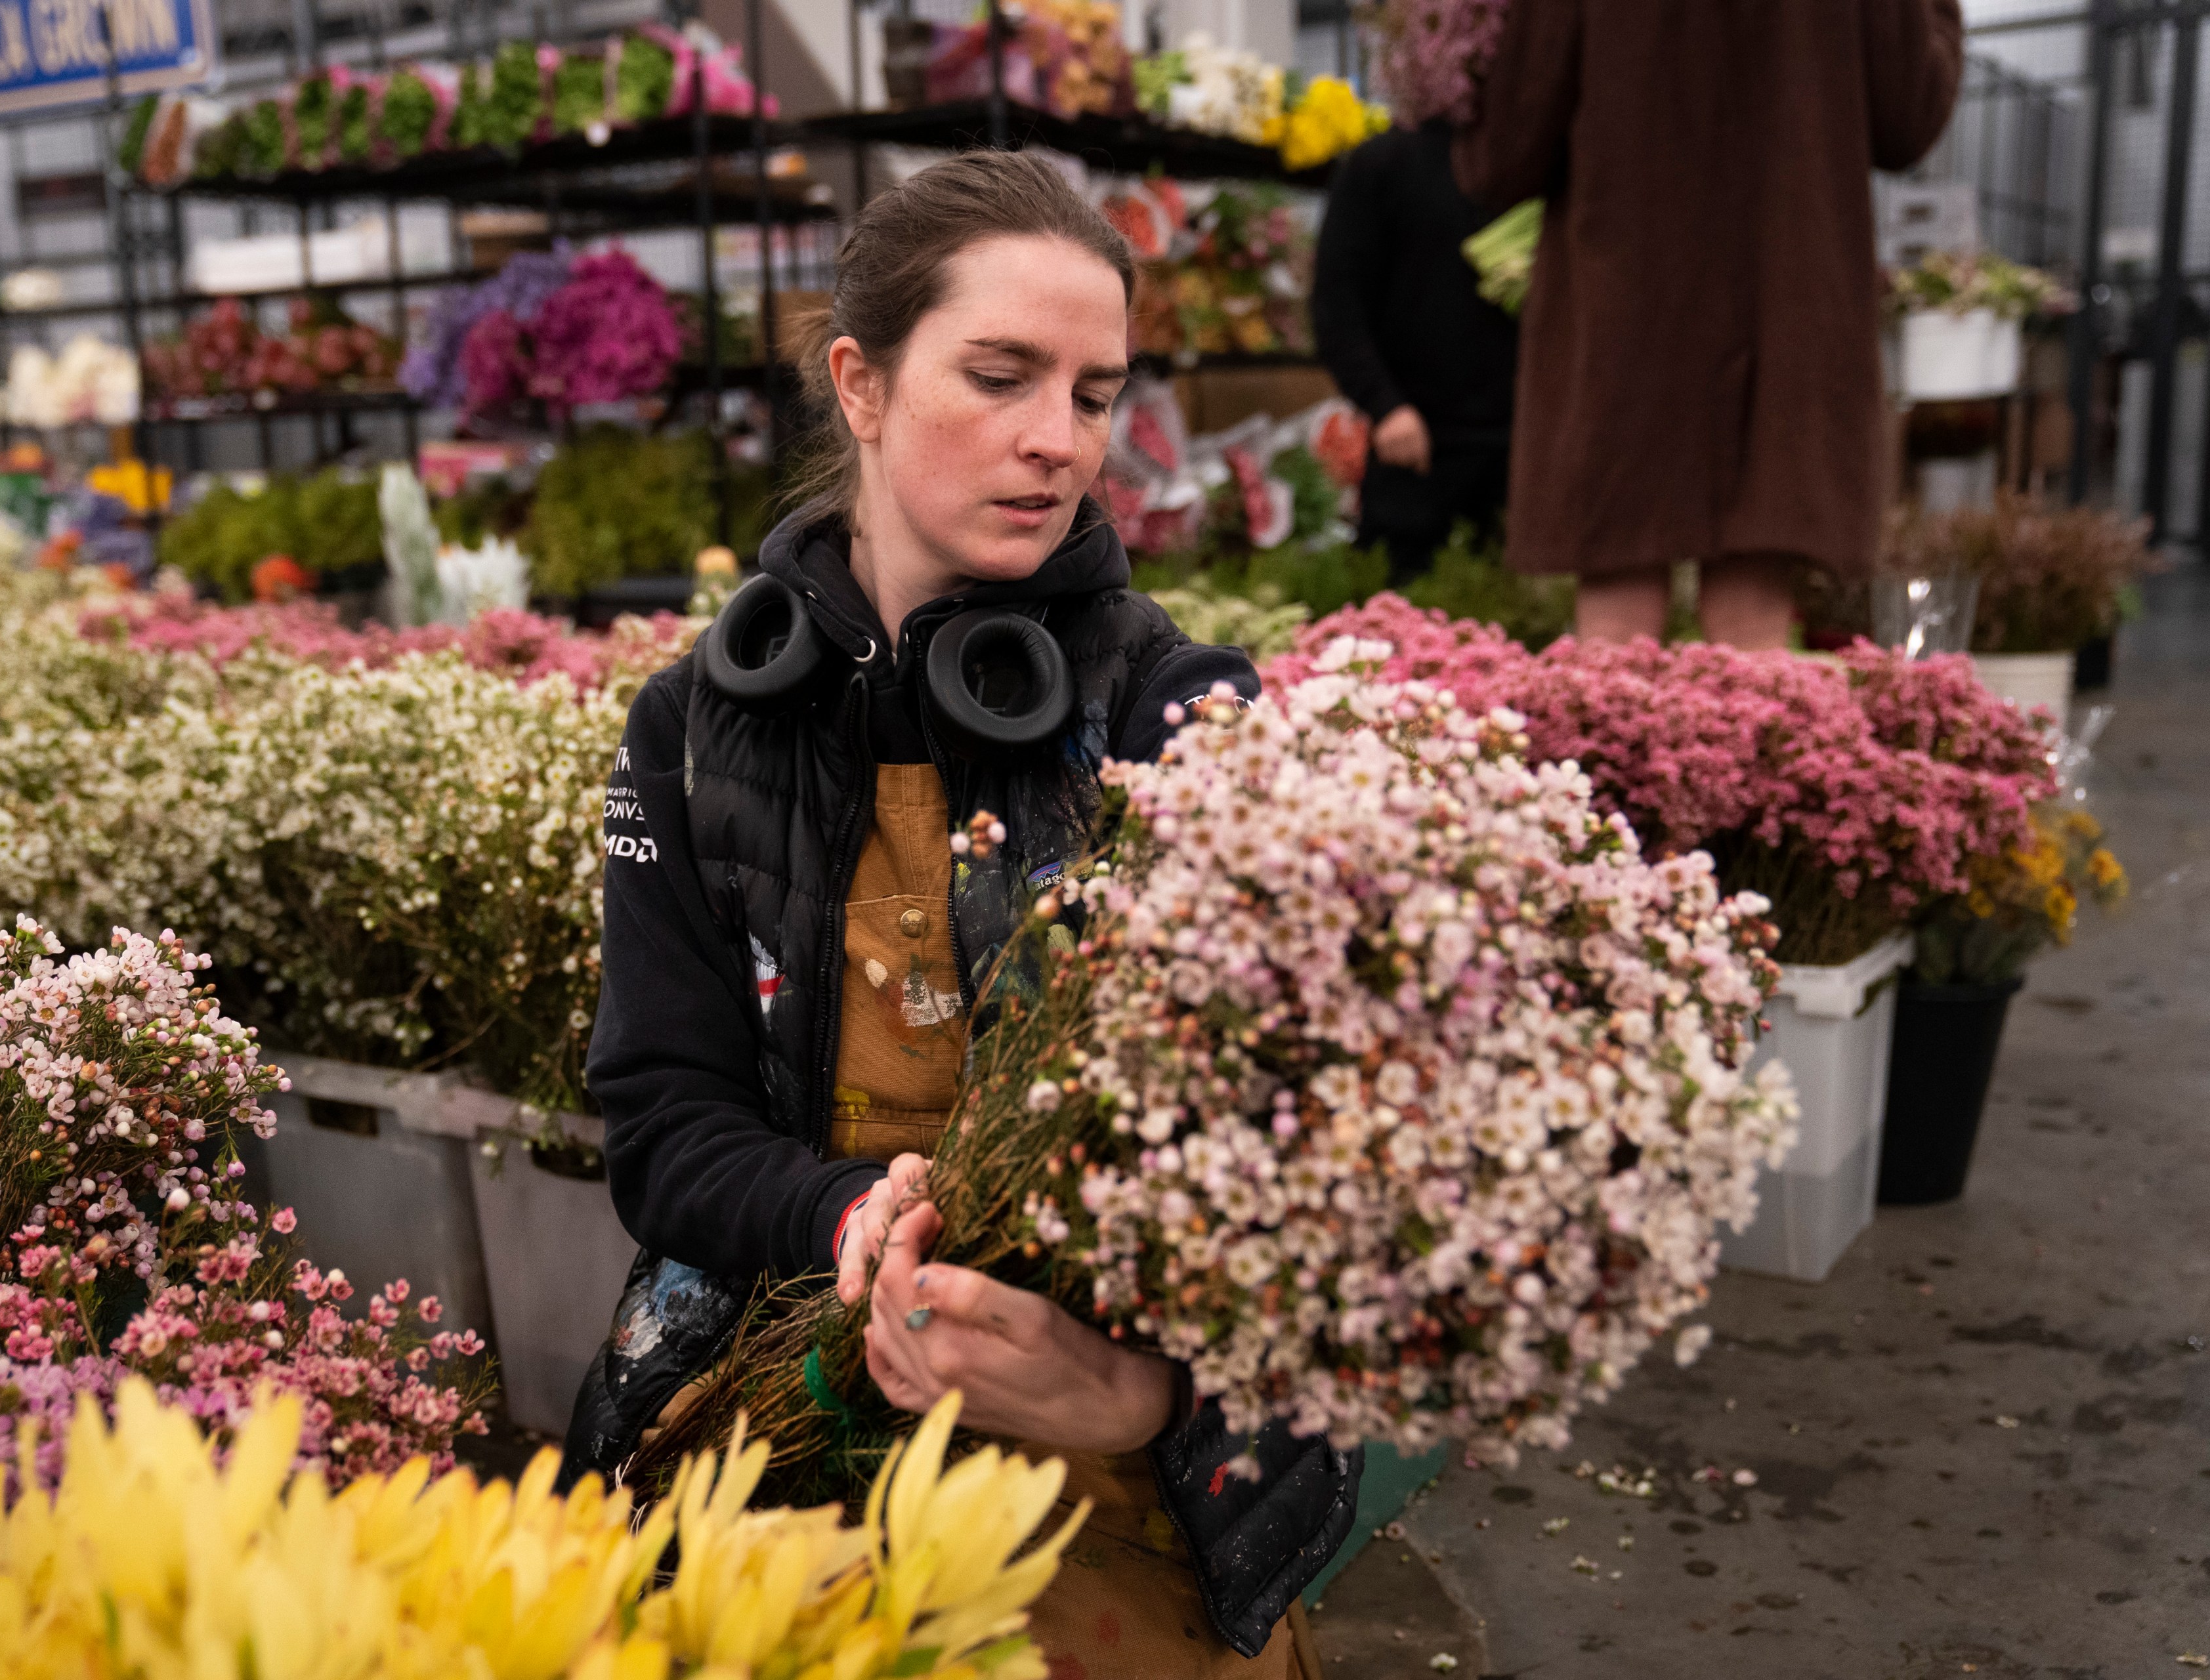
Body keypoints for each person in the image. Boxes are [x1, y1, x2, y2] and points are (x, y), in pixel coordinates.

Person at [565, 150, 1360, 1678]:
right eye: (1000, 375)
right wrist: (847, 1219)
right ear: (858, 384)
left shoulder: (1177, 716)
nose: (1057, 440)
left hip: (1110, 1485)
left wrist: (1138, 1392)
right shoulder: (690, 729)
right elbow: (662, 1121)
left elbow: (1304, 1183)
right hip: (788, 1408)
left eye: (1093, 392)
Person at [1455, 0, 1964, 647]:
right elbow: (1908, 115)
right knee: (1753, 631)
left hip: (1627, 310)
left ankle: (1607, 747)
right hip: (1786, 303)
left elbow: (1506, 152)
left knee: (1617, 628)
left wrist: (1448, 60)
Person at [1310, 116, 1519, 587]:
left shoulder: (1522, 165)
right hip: (1413, 451)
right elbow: (1335, 304)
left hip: (1514, 455)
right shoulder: (1383, 161)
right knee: (1402, 622)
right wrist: (1386, 405)